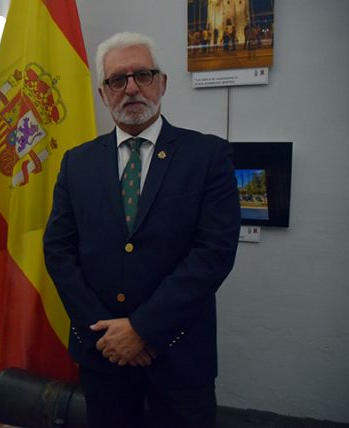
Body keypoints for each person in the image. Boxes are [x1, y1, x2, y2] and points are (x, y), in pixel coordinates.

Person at [43, 32, 240, 428]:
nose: (131, 87)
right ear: (103, 93)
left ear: (161, 83)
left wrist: (143, 329)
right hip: (103, 355)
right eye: (118, 80)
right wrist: (107, 335)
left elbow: (213, 253)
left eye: (142, 75)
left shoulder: (208, 155)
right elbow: (58, 251)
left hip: (179, 358)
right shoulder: (76, 163)